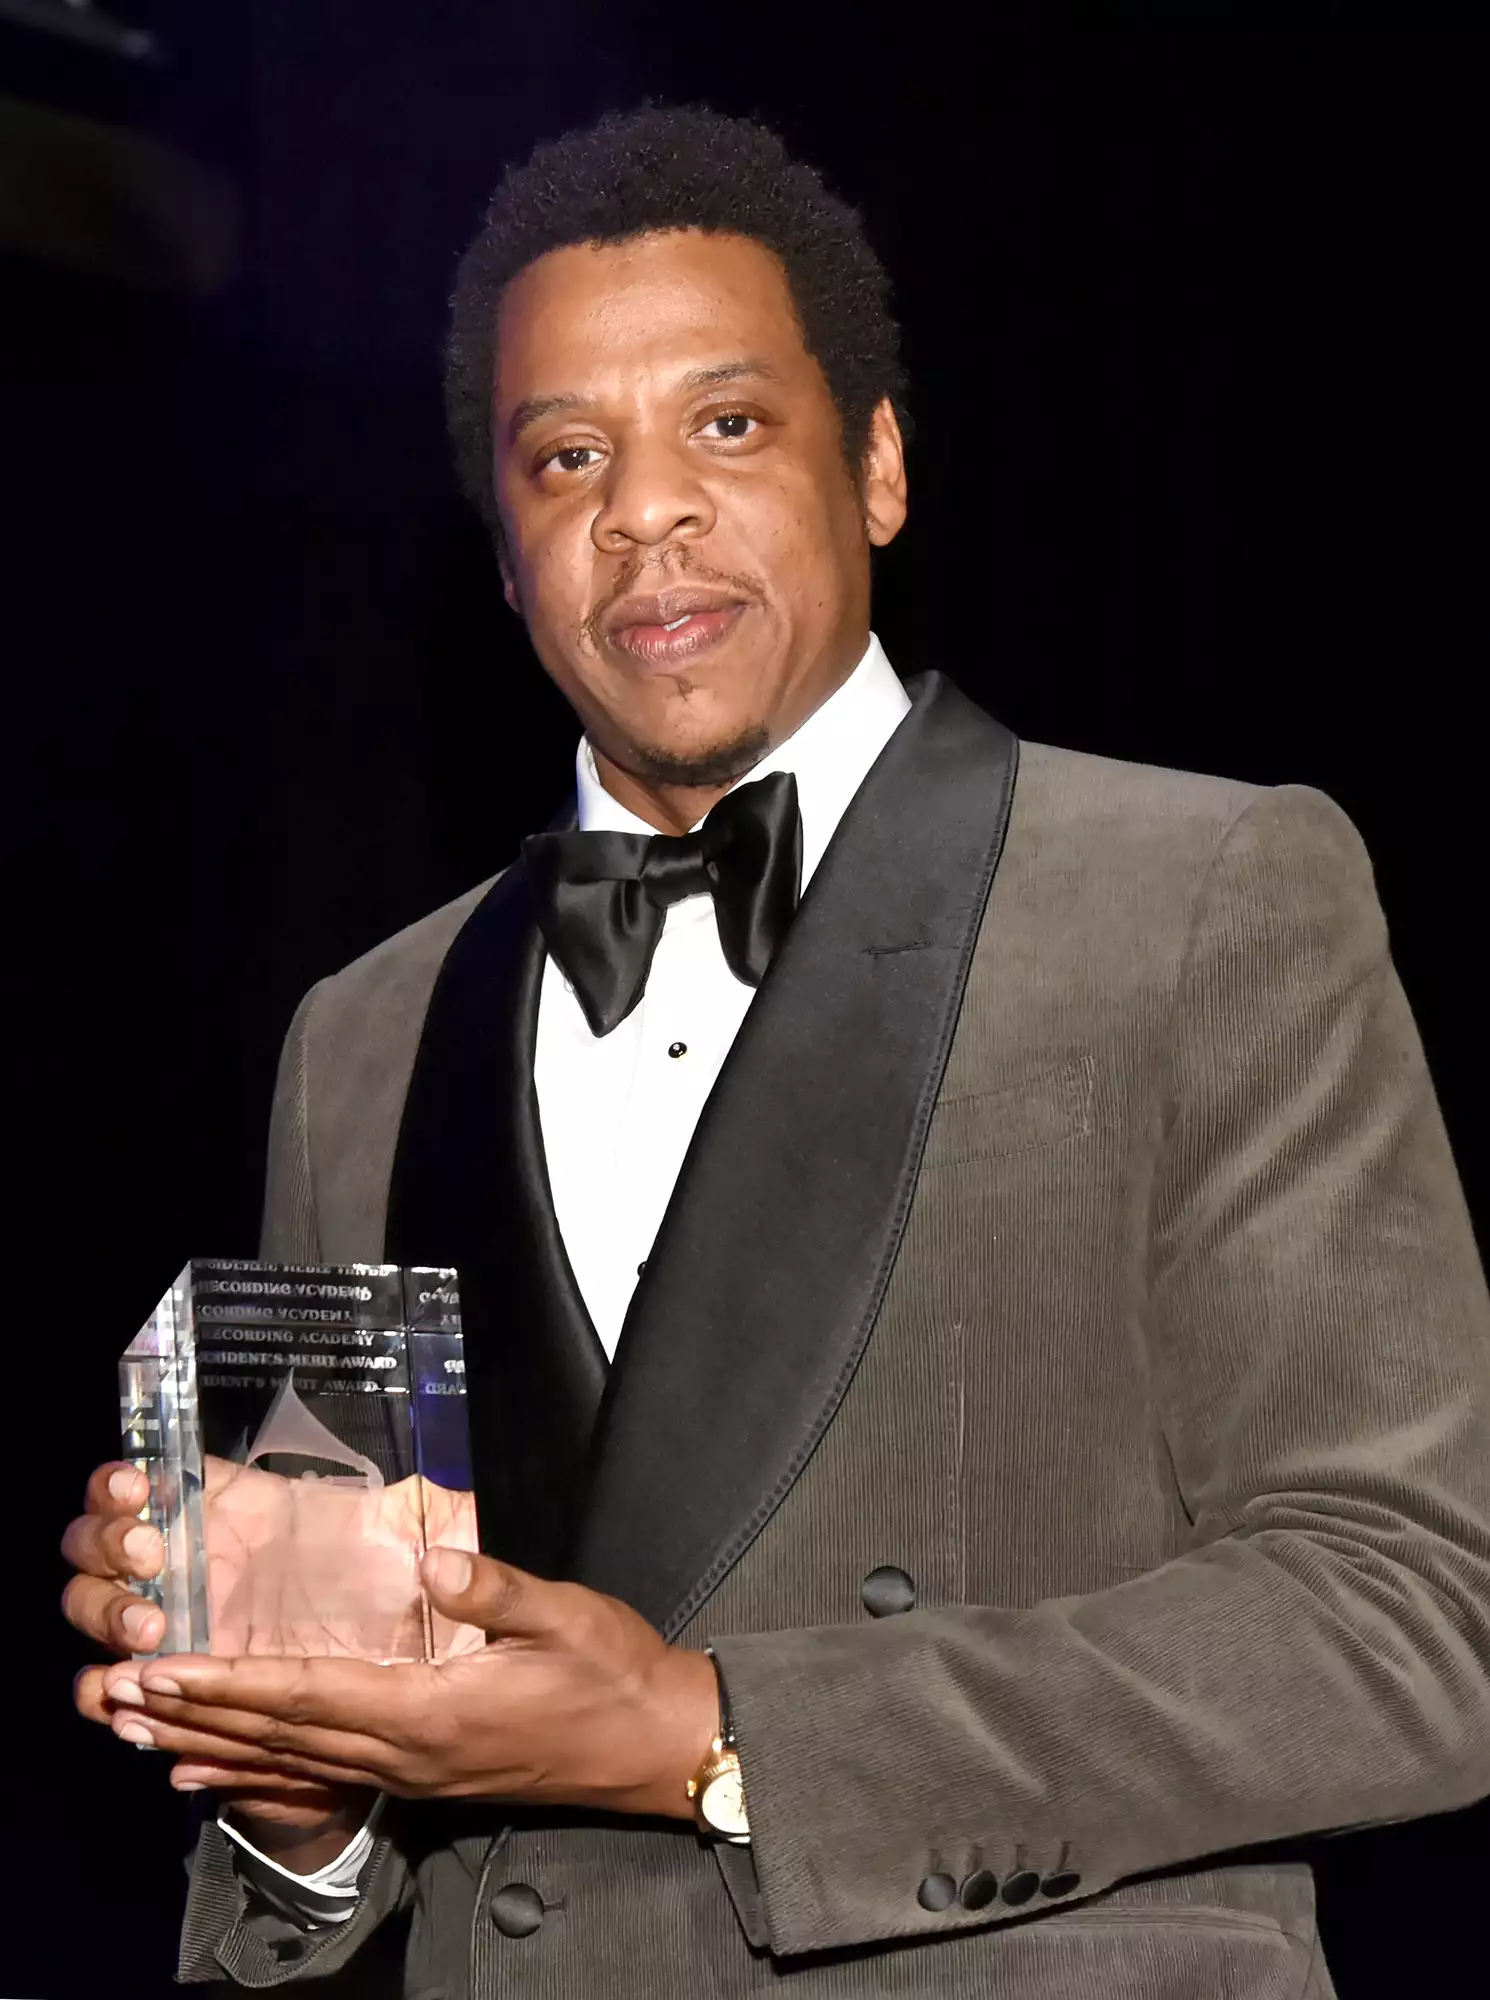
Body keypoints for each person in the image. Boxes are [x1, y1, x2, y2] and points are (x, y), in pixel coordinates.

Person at [61, 104, 1490, 2000]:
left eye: (723, 427)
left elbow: (1414, 1621)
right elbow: (356, 1805)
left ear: (879, 467)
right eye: (565, 456)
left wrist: (710, 1727)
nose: (641, 507)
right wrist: (296, 1784)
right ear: (502, 552)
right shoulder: (365, 1028)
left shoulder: (1202, 890)